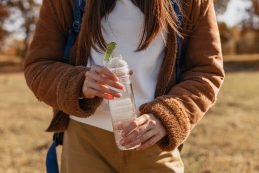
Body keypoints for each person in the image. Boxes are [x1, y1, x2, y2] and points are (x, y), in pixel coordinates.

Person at [24, 0, 225, 172]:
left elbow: (206, 71)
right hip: (85, 141)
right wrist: (78, 82)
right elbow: (39, 65)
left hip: (153, 141)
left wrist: (167, 116)